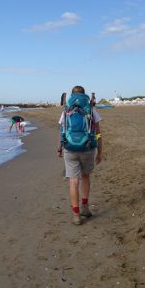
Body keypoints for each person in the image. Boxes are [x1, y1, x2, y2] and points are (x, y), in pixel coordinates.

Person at [58, 86, 103, 225]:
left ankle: (76, 215)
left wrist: (60, 147)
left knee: (73, 181)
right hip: (88, 147)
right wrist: (100, 152)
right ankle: (85, 207)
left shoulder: (66, 109)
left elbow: (62, 130)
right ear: (85, 95)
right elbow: (98, 133)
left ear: (72, 95)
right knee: (85, 176)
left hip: (70, 148)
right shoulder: (91, 109)